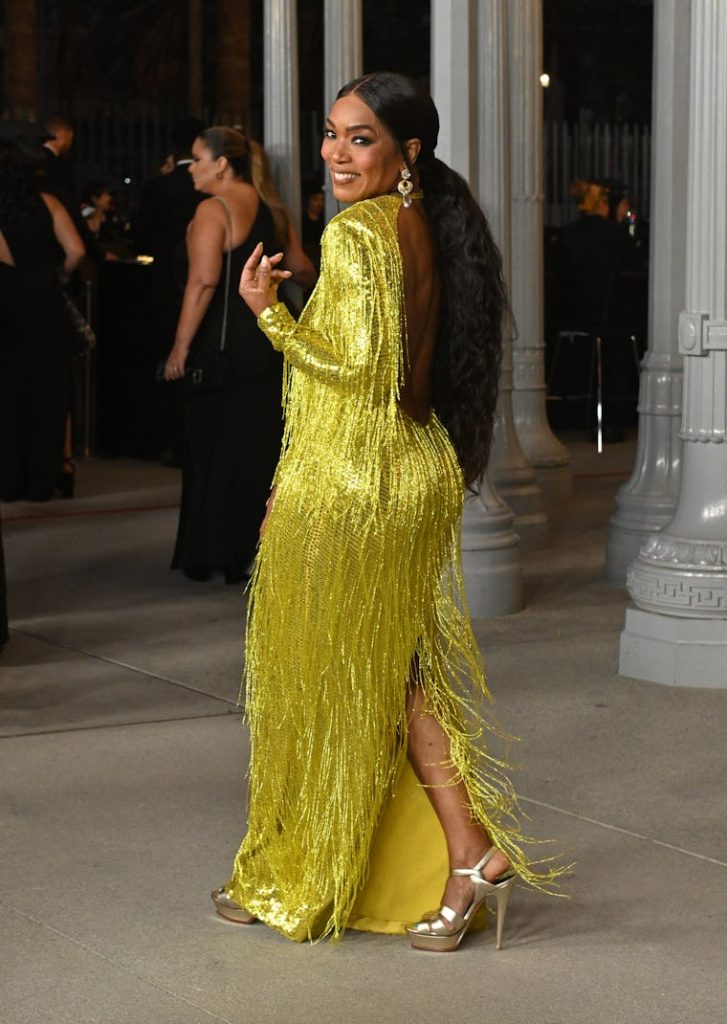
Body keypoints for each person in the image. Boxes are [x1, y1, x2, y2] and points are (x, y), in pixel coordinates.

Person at [210, 73, 565, 949]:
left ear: (407, 152)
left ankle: (314, 868)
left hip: (355, 487)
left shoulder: (358, 231)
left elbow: (360, 374)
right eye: (330, 133)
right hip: (400, 472)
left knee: (320, 679)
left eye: (359, 138)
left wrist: (271, 318)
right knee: (390, 677)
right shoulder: (417, 225)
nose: (335, 152)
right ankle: (457, 858)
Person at [164, 128, 315, 583]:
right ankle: (257, 550)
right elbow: (305, 269)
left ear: (221, 165)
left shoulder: (214, 209)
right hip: (269, 336)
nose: (191, 169)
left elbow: (205, 282)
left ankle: (214, 552)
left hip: (223, 346)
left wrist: (179, 347)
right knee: (261, 445)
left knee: (214, 444)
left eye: (196, 159)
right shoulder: (272, 207)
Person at [0, 139, 85, 501]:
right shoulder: (48, 203)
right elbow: (76, 251)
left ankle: (10, 479)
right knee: (47, 394)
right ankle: (43, 479)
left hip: (6, 308)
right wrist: (57, 278)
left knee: (7, 395)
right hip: (46, 304)